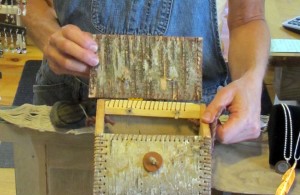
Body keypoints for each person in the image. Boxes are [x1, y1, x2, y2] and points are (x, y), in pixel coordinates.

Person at [21, 0, 270, 144]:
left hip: (190, 117)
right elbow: (30, 3)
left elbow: (247, 19)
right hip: (74, 110)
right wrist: (50, 38)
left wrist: (251, 77)